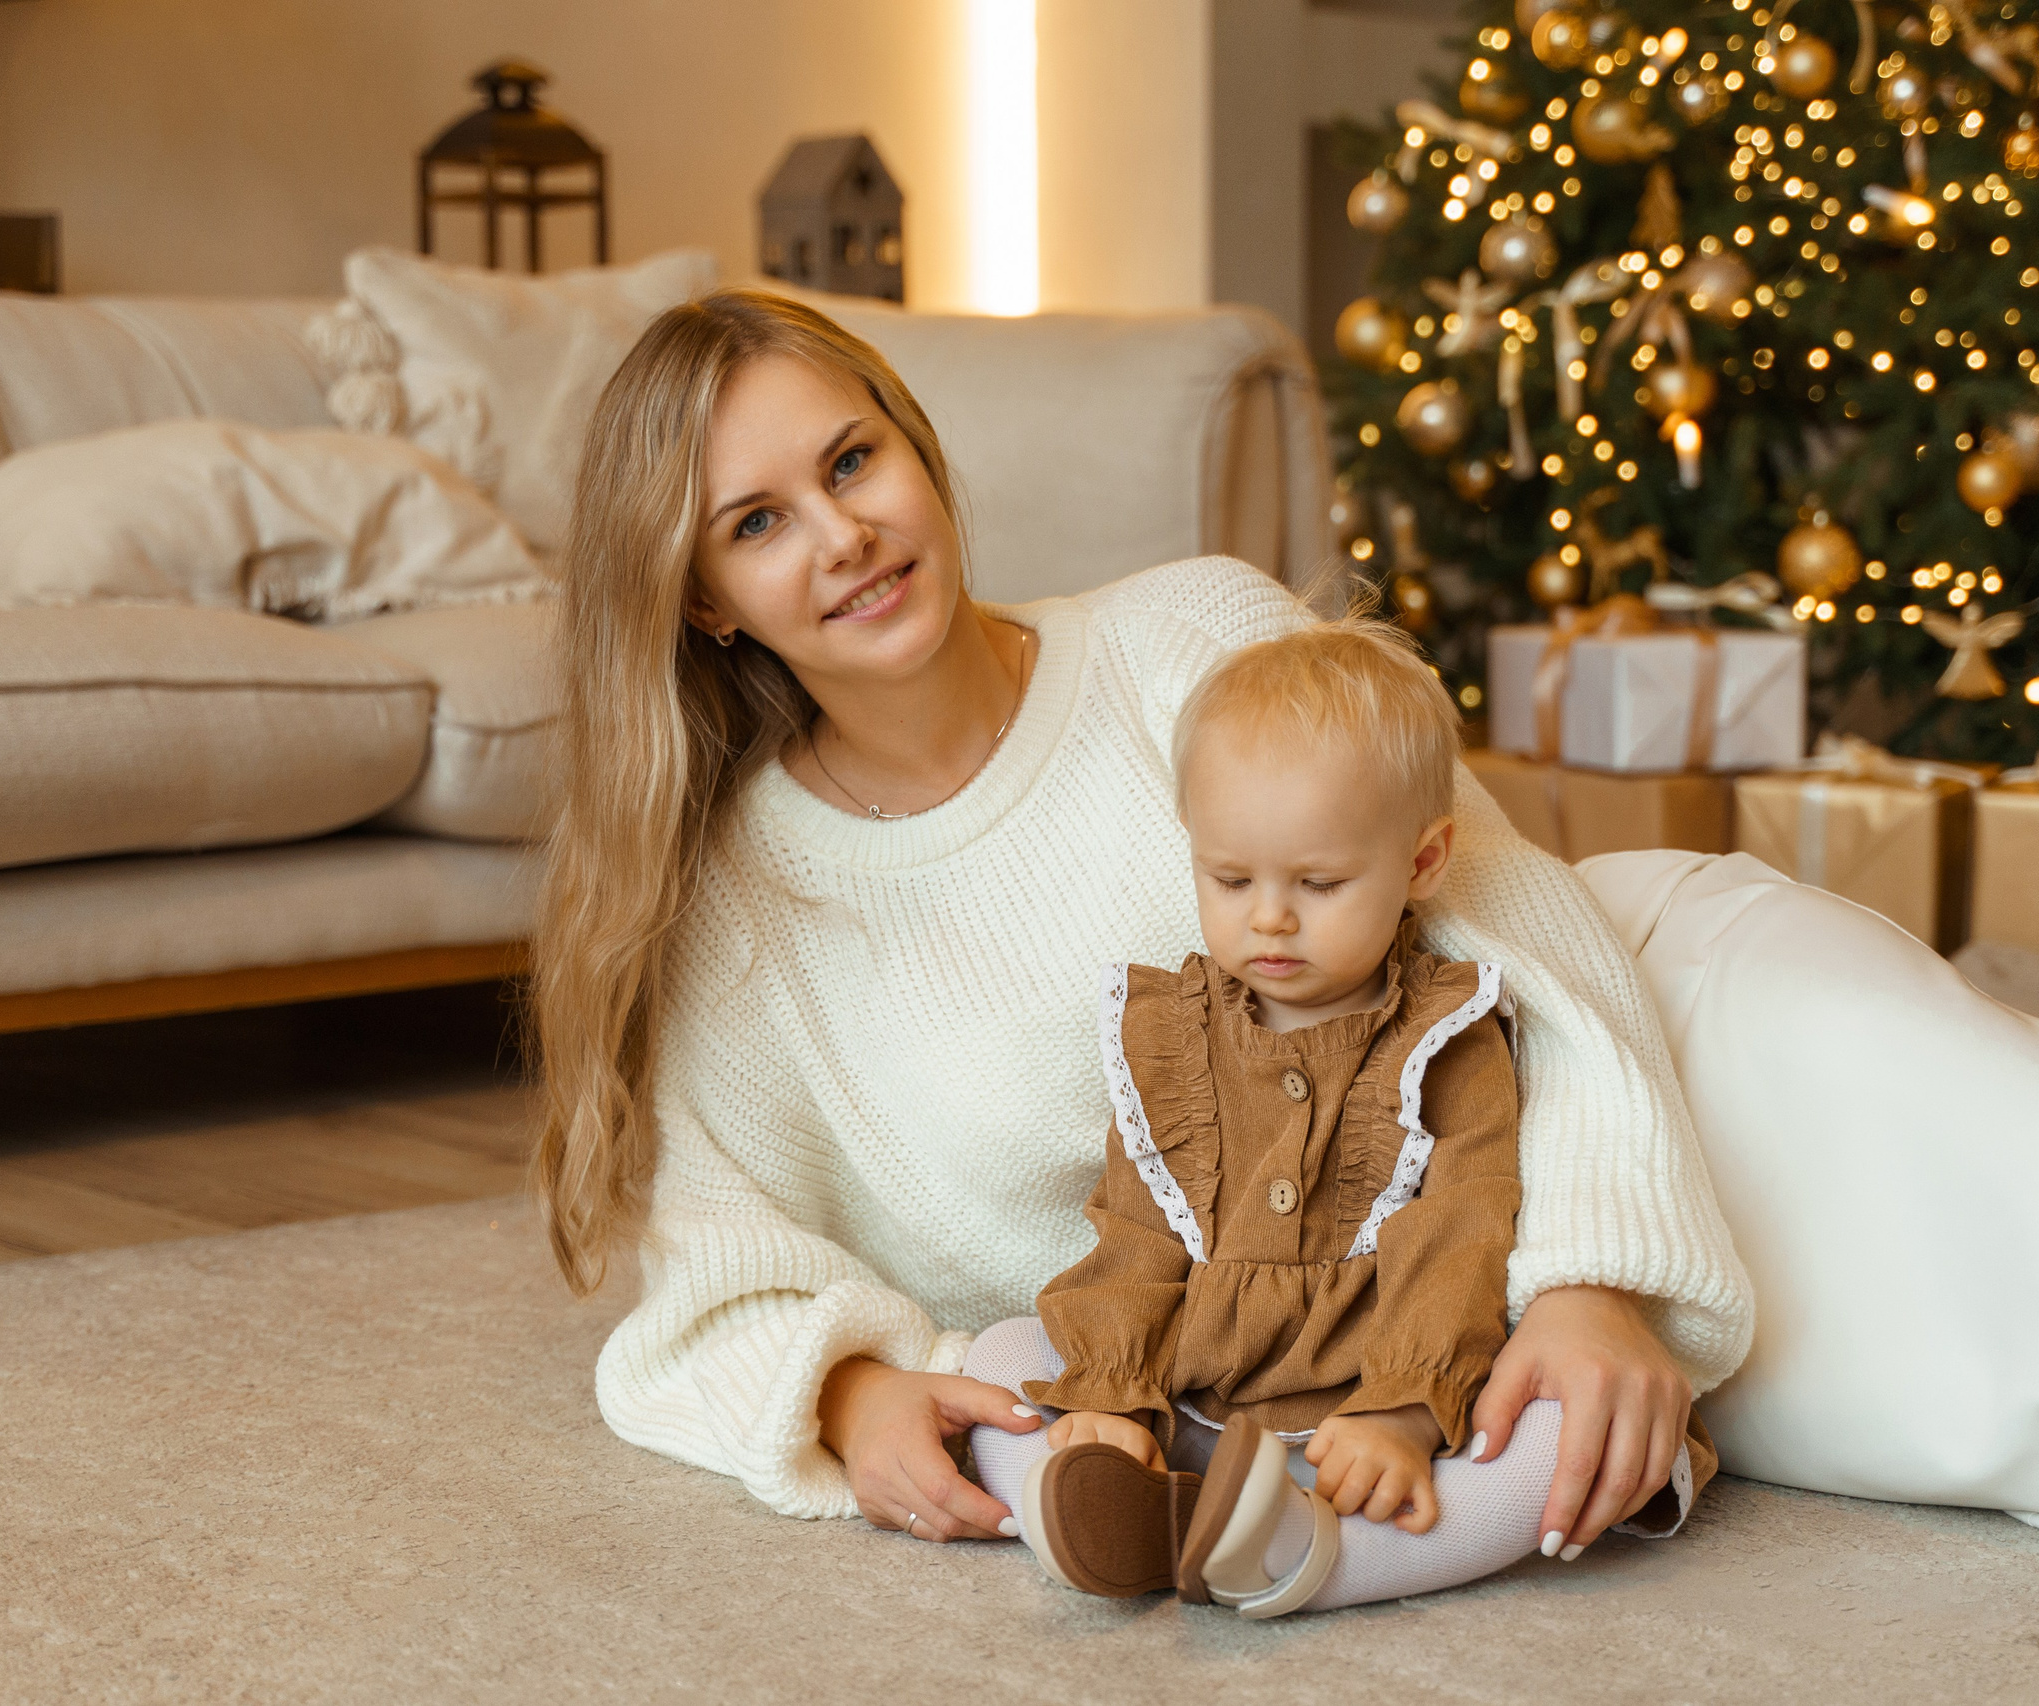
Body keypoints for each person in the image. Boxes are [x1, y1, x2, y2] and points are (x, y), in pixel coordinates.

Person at [532, 287, 1752, 1603]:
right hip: (1126, 1380)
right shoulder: (744, 904)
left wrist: (1590, 1280)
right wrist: (849, 1392)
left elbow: (1521, 934)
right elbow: (710, 1275)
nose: (845, 535)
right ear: (705, 599)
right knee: (1002, 1371)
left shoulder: (1198, 637)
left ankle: (1319, 1542)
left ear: (916, 446)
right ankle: (1179, 1519)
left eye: (852, 460)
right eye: (758, 523)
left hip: (1419, 1311)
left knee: (1600, 1401)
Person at [975, 620, 1716, 1617]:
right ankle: (1126, 1507)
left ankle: (1319, 1556)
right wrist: (1108, 1394)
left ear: (1421, 861)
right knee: (1003, 1357)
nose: (1269, 917)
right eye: (1230, 878)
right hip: (1194, 1404)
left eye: (1317, 883)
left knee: (1550, 1431)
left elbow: (1458, 1234)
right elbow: (1136, 1231)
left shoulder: (1448, 1035)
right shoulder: (1163, 1037)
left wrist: (1404, 1413)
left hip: (1380, 1420)